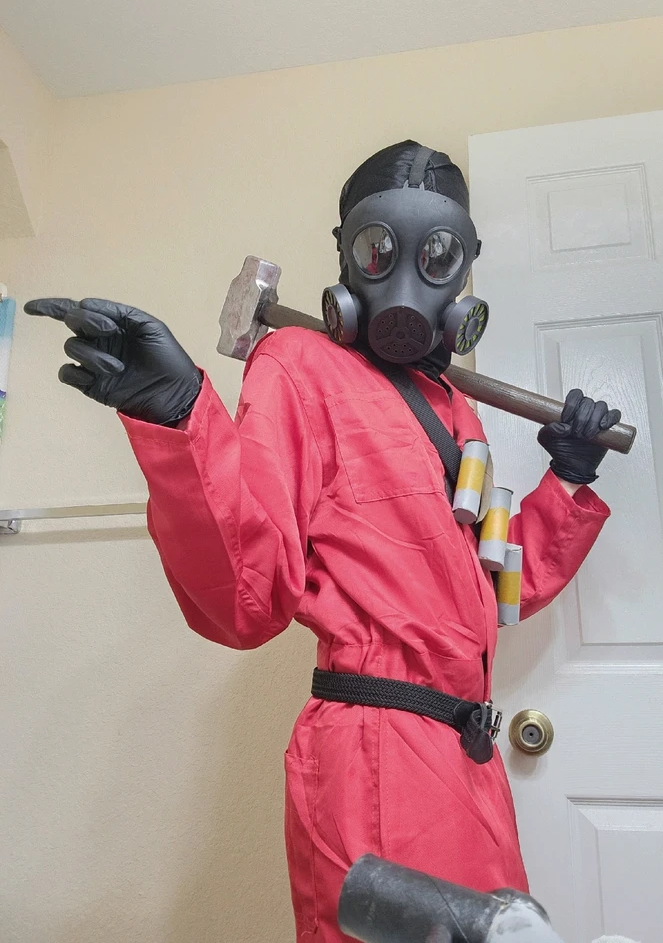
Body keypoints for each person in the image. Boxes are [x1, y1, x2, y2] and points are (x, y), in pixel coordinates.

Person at [26, 140, 620, 942]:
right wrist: (179, 413)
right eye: (380, 248)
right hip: (379, 756)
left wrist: (569, 478)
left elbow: (489, 590)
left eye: (439, 255)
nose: (408, 275)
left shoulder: (454, 408)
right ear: (346, 254)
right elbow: (247, 597)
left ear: (464, 268)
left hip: (469, 758)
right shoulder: (300, 363)